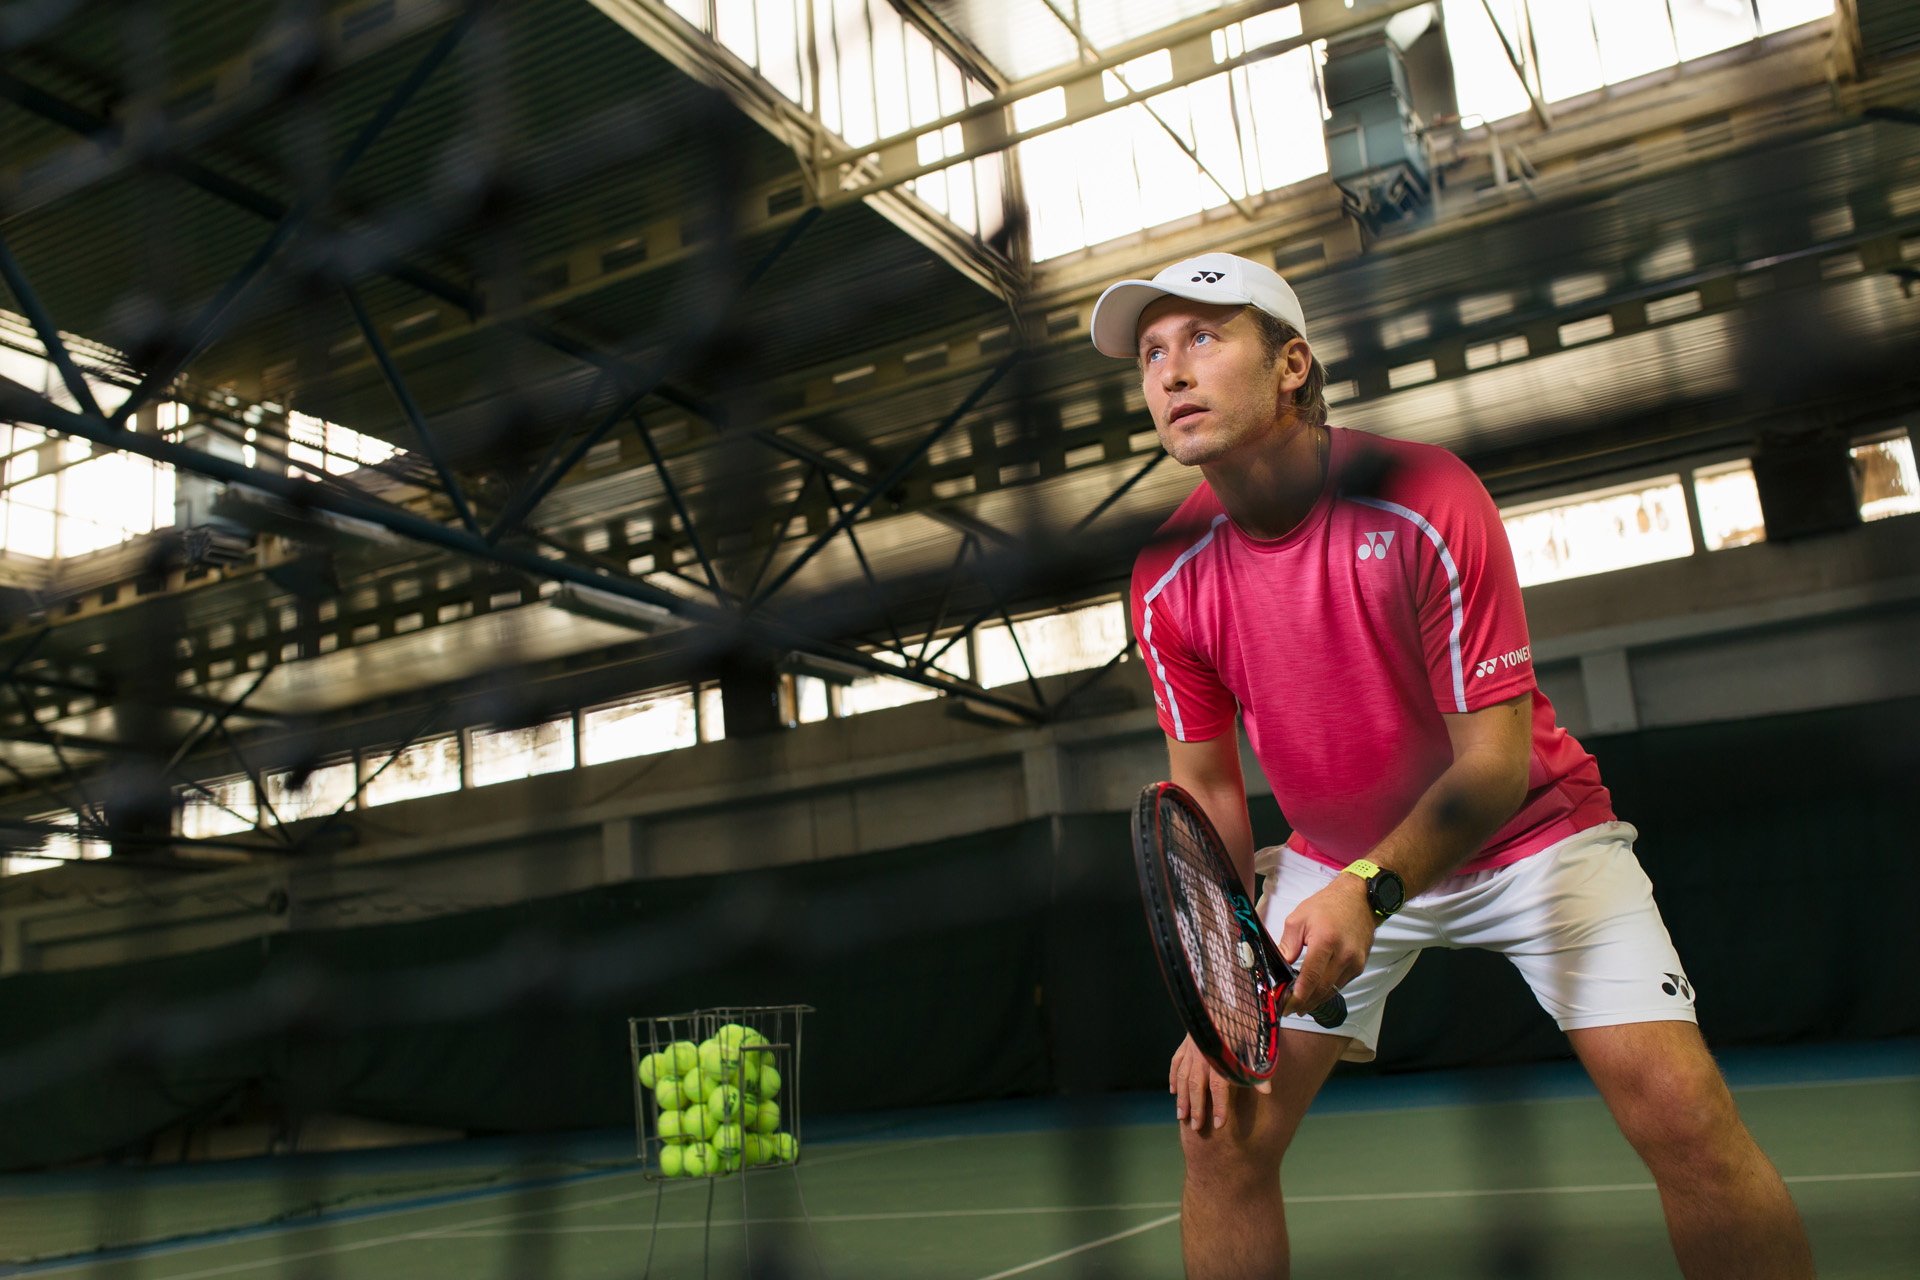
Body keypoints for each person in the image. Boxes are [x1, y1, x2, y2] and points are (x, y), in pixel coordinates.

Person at [1092, 252, 1814, 1279]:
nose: (1168, 372)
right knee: (1221, 1134)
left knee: (1683, 1116)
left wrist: (1371, 891)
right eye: (1152, 353)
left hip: (1529, 835)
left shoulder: (1424, 495)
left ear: (1292, 363)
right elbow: (1205, 788)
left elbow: (1495, 762)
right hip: (1329, 855)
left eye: (1203, 338)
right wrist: (1221, 982)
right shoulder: (1166, 573)